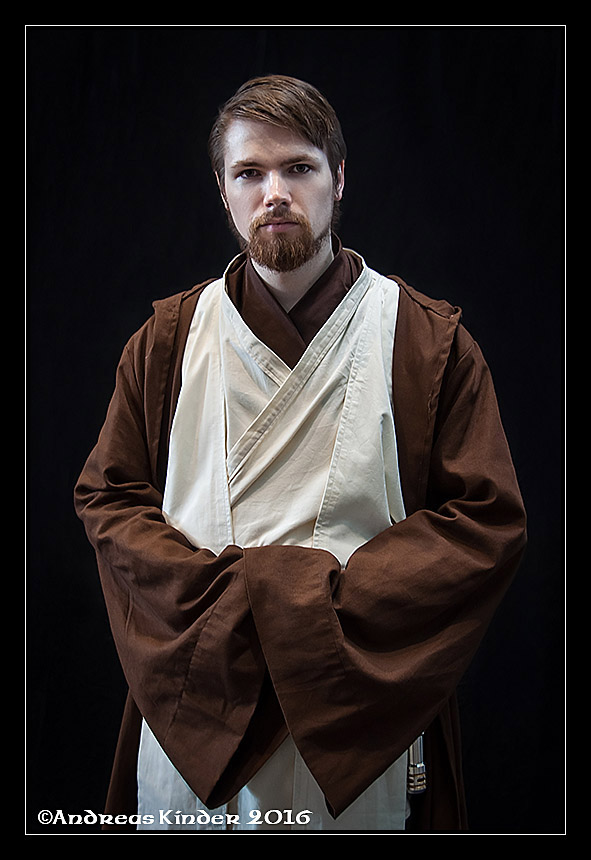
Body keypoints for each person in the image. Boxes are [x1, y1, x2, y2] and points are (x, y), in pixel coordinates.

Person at [74, 74, 527, 832]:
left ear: (338, 178)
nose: (274, 193)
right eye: (249, 173)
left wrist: (310, 614)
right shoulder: (166, 343)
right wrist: (221, 610)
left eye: (298, 168)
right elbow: (109, 499)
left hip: (359, 704)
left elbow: (484, 521)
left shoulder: (426, 342)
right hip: (202, 698)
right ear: (223, 191)